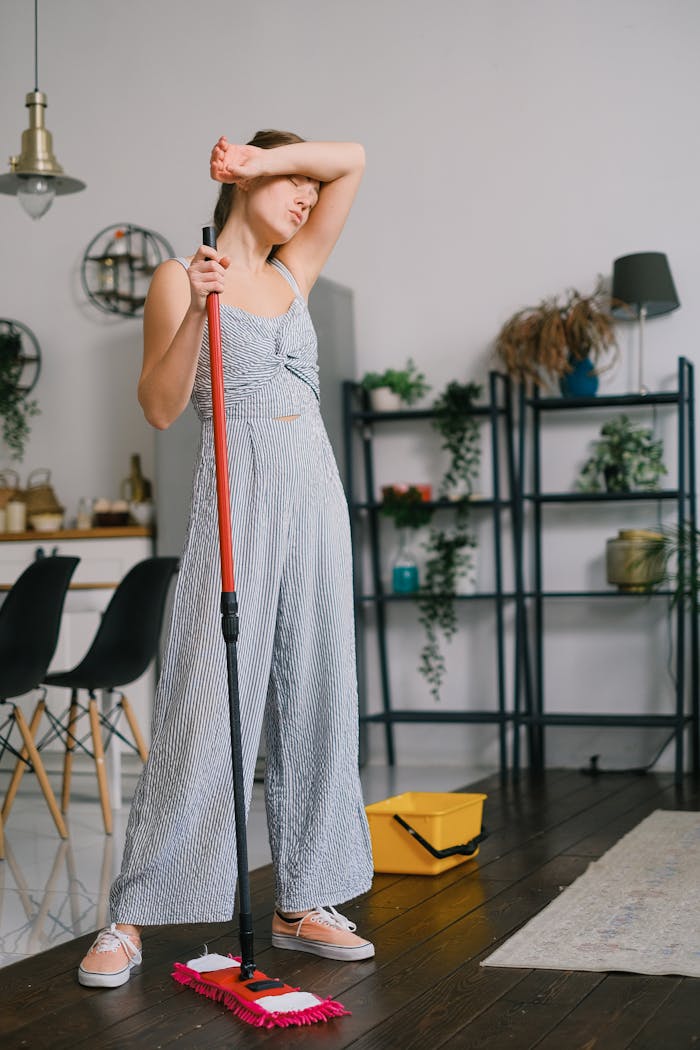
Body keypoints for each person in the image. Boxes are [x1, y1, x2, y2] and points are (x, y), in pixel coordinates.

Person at [77, 130, 374, 988]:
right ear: (245, 181)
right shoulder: (182, 273)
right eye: (295, 184)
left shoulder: (294, 271)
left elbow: (353, 158)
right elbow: (163, 409)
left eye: (310, 192)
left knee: (319, 694)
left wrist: (262, 158)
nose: (309, 200)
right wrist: (198, 310)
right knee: (205, 704)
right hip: (235, 504)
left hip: (315, 502)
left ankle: (303, 898)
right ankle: (131, 915)